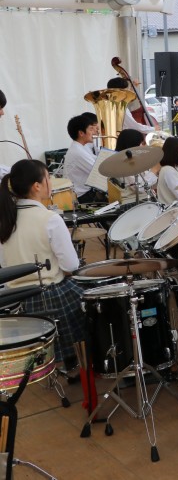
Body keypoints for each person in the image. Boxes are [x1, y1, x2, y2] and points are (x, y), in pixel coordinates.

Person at [0, 160, 84, 366]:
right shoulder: (50, 218)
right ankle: (79, 358)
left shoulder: (5, 219)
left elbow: (4, 265)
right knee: (91, 299)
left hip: (16, 301)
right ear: (37, 186)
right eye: (48, 178)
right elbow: (71, 265)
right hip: (49, 296)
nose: (51, 183)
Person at [64, 112, 104, 203]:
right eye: (91, 129)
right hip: (83, 197)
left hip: (86, 193)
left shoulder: (81, 147)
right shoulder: (78, 152)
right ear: (81, 133)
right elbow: (98, 171)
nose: (94, 132)